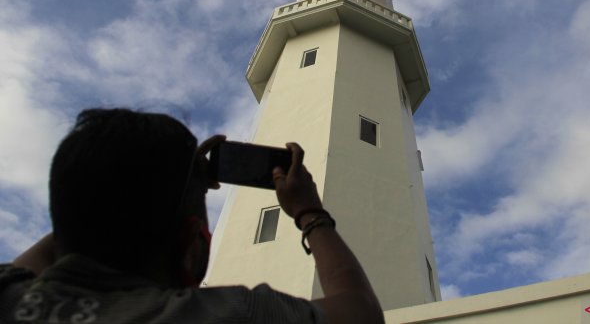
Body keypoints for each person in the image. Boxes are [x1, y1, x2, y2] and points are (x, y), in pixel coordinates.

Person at [0, 108, 384, 323]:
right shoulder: (227, 315)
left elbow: (66, 233)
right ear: (191, 245)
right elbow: (362, 313)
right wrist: (309, 213)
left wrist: (104, 187)